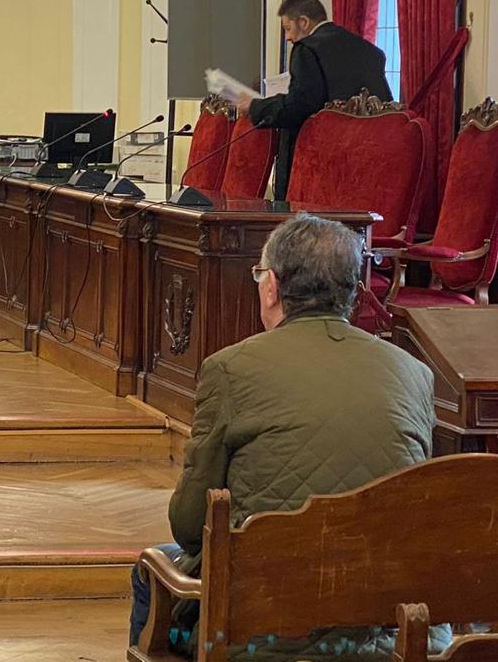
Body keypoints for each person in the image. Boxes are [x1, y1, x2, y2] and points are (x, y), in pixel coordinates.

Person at [129, 214, 439, 658]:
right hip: (387, 634)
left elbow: (188, 525)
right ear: (352, 290)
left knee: (150, 571)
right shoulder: (415, 374)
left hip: (261, 635)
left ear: (271, 286)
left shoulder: (231, 369)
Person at [235, 0, 392, 200]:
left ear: (303, 22)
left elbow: (299, 106)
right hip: (368, 161)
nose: (288, 37)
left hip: (322, 164)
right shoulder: (371, 52)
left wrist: (255, 106)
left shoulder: (307, 49)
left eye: (288, 29)